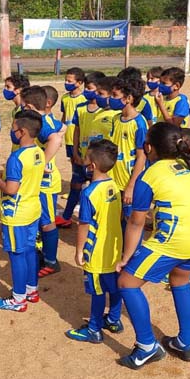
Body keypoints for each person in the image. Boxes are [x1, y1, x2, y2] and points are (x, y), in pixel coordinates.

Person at [115, 123, 190, 370]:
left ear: (148, 147)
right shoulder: (186, 167)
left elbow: (136, 222)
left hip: (174, 240)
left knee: (127, 283)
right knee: (180, 281)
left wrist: (127, 257)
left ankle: (147, 347)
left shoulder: (148, 176)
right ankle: (185, 342)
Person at [66, 139, 125, 343]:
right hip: (115, 248)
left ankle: (94, 329)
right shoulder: (115, 187)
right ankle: (115, 319)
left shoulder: (89, 193)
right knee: (115, 286)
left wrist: (79, 250)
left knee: (98, 290)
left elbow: (84, 225)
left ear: (92, 166)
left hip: (96, 250)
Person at [0, 111, 46, 312]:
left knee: (16, 254)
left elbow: (11, 189)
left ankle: (18, 298)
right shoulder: (38, 152)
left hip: (16, 214)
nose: (11, 132)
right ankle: (31, 290)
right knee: (30, 250)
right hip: (33, 209)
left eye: (12, 129)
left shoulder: (16, 158)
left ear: (21, 132)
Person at [20, 86, 66, 278]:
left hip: (46, 182)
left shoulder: (40, 122)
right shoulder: (45, 119)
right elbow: (62, 128)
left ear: (30, 105)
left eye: (24, 106)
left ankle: (51, 261)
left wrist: (42, 163)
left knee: (47, 222)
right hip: (40, 180)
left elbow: (55, 139)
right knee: (41, 219)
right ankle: (43, 254)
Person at [63, 72, 107, 223]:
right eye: (86, 88)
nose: (87, 91)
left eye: (90, 88)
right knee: (75, 184)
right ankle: (66, 217)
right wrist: (75, 151)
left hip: (96, 159)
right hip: (81, 156)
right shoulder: (80, 108)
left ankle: (95, 219)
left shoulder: (107, 112)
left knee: (95, 187)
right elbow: (77, 130)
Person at [108, 78, 149, 224]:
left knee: (130, 221)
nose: (110, 99)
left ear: (128, 99)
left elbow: (142, 157)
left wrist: (131, 186)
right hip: (114, 178)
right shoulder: (115, 119)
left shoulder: (139, 124)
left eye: (114, 95)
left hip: (128, 181)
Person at [56, 67, 88, 228]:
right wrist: (61, 133)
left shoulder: (84, 100)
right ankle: (78, 194)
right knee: (74, 165)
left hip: (81, 141)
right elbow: (64, 117)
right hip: (70, 140)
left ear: (80, 83)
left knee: (82, 172)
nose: (66, 83)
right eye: (66, 80)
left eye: (70, 81)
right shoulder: (65, 98)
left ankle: (81, 198)